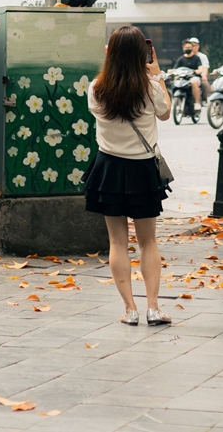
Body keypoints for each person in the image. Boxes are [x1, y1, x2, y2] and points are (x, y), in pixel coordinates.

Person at [83, 25, 172, 327]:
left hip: (108, 168)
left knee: (117, 242)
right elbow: (165, 113)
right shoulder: (150, 88)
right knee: (148, 242)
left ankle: (130, 309)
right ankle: (153, 308)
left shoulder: (97, 88)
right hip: (142, 169)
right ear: (141, 54)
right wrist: (157, 75)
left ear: (110, 52)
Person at [174, 38, 208, 110]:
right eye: (186, 47)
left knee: (194, 82)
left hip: (194, 77)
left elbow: (201, 68)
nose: (188, 49)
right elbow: (175, 69)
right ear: (183, 48)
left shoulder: (197, 58)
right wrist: (172, 72)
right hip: (183, 78)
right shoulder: (181, 59)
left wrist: (198, 71)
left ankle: (197, 103)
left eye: (189, 47)